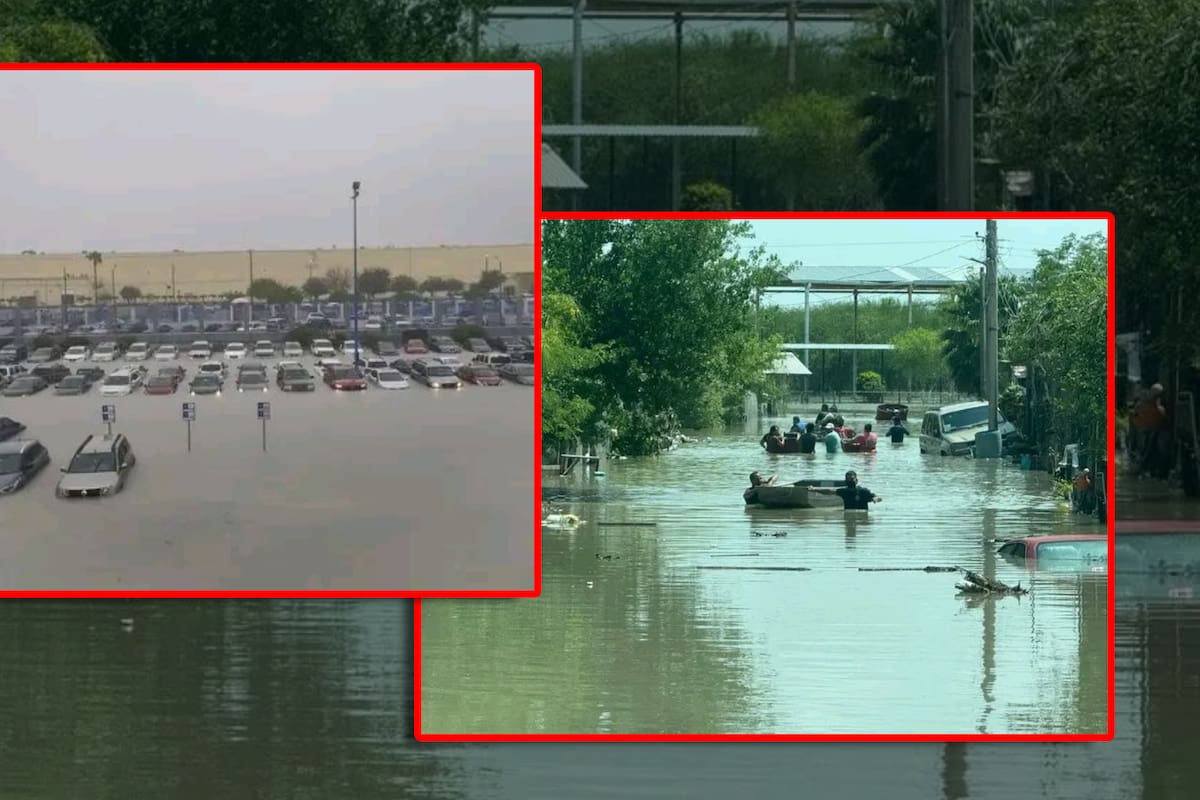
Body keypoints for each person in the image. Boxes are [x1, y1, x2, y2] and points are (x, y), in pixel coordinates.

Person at [811, 469, 882, 510]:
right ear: (845, 481)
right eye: (849, 479)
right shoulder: (844, 491)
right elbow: (828, 491)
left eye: (852, 479)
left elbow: (878, 497)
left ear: (856, 480)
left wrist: (875, 499)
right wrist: (814, 489)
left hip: (861, 515)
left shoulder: (863, 491)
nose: (850, 480)